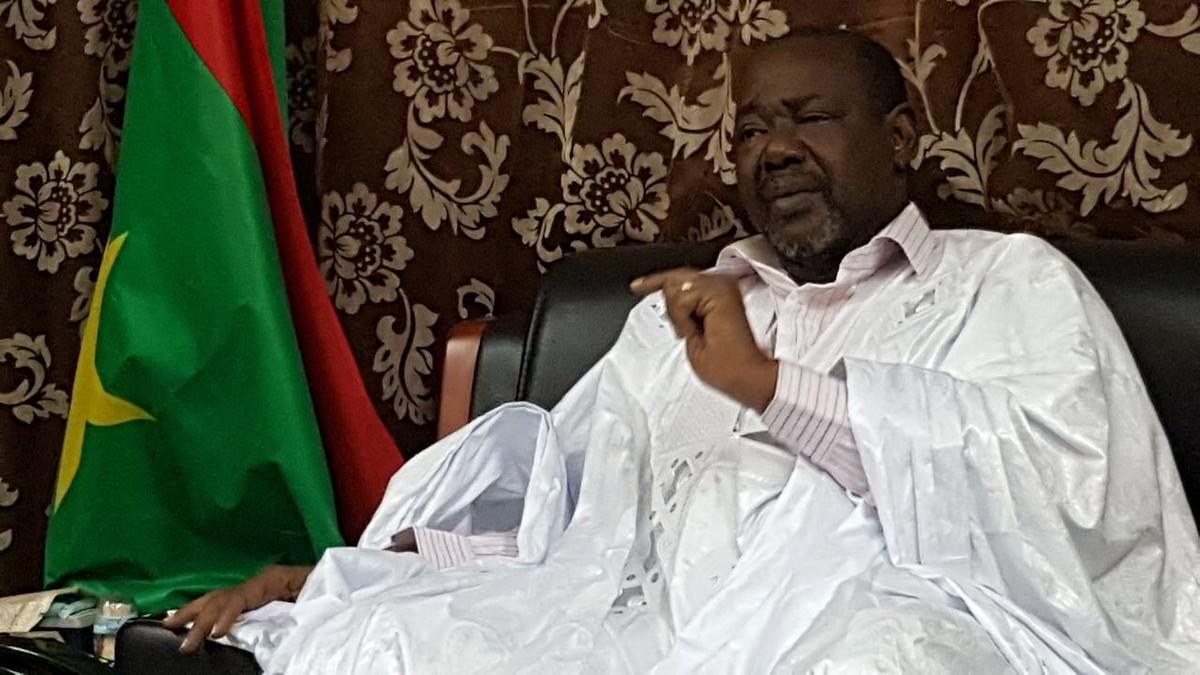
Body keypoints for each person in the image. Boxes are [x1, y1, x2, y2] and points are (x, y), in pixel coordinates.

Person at [167, 28, 1200, 672]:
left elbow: (1072, 503)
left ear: (899, 136)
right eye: (750, 131)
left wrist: (771, 388)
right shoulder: (687, 312)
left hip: (891, 631)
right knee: (384, 641)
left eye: (809, 118)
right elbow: (570, 529)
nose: (775, 149)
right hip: (650, 633)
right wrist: (329, 574)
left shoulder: (1007, 283)